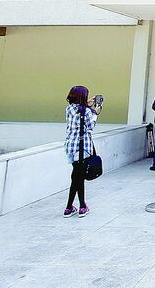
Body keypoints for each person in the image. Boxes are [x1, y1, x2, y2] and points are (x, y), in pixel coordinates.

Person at [64, 85, 100, 218]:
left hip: (71, 147)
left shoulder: (69, 109)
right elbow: (90, 127)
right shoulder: (87, 112)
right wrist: (94, 112)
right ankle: (82, 206)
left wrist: (87, 105)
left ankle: (69, 207)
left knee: (75, 177)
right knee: (79, 179)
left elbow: (77, 116)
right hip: (83, 148)